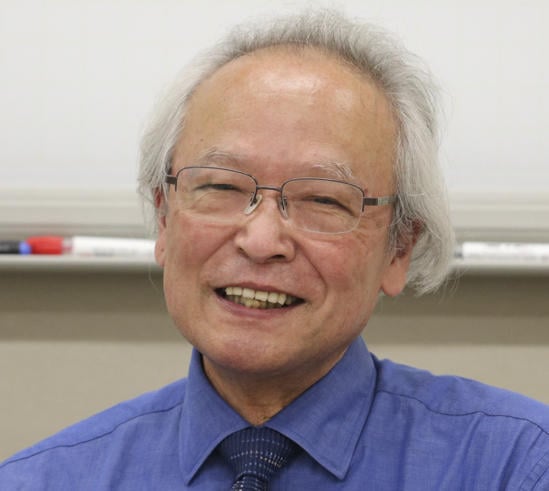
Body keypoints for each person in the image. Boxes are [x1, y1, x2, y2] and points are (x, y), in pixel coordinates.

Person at [1, 9, 548, 490]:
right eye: (220, 186)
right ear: (164, 217)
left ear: (399, 248)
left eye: (323, 199)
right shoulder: (42, 480)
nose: (261, 241)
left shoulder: (517, 466)